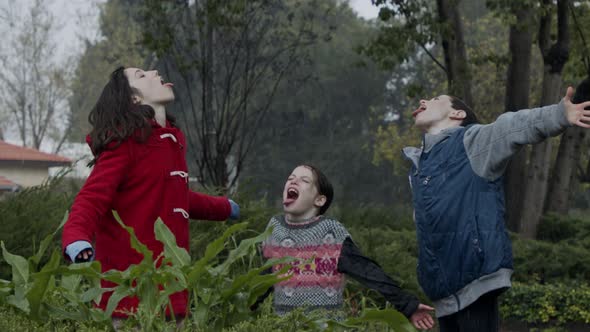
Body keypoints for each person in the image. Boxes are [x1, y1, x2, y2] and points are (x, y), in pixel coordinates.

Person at [404, 86, 590, 331]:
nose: (424, 100)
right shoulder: (420, 167)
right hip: (443, 295)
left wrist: (558, 115)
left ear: (458, 115)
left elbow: (511, 126)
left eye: (437, 99)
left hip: (477, 281)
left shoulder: (472, 142)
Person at [61, 67, 240, 322]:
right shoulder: (125, 144)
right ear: (134, 98)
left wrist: (224, 207)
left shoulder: (171, 141)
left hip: (173, 296)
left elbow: (174, 196)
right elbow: (92, 198)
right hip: (132, 303)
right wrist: (75, 237)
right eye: (141, 75)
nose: (154, 71)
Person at [256, 164, 435, 330]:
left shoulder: (330, 232)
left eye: (304, 180)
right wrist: (240, 302)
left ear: (319, 200)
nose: (293, 181)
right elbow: (263, 279)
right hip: (285, 326)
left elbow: (367, 271)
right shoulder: (275, 229)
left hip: (326, 327)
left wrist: (407, 304)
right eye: (290, 178)